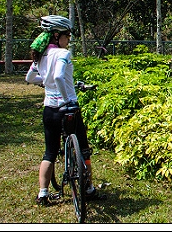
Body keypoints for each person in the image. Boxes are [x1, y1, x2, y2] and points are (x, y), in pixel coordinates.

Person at [25, 14, 105, 206]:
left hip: (49, 110)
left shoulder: (42, 55)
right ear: (56, 35)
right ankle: (89, 188)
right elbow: (60, 77)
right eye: (67, 35)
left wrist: (46, 82)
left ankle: (43, 193)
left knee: (50, 153)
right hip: (68, 109)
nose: (68, 39)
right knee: (84, 150)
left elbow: (29, 77)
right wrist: (67, 98)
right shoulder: (63, 54)